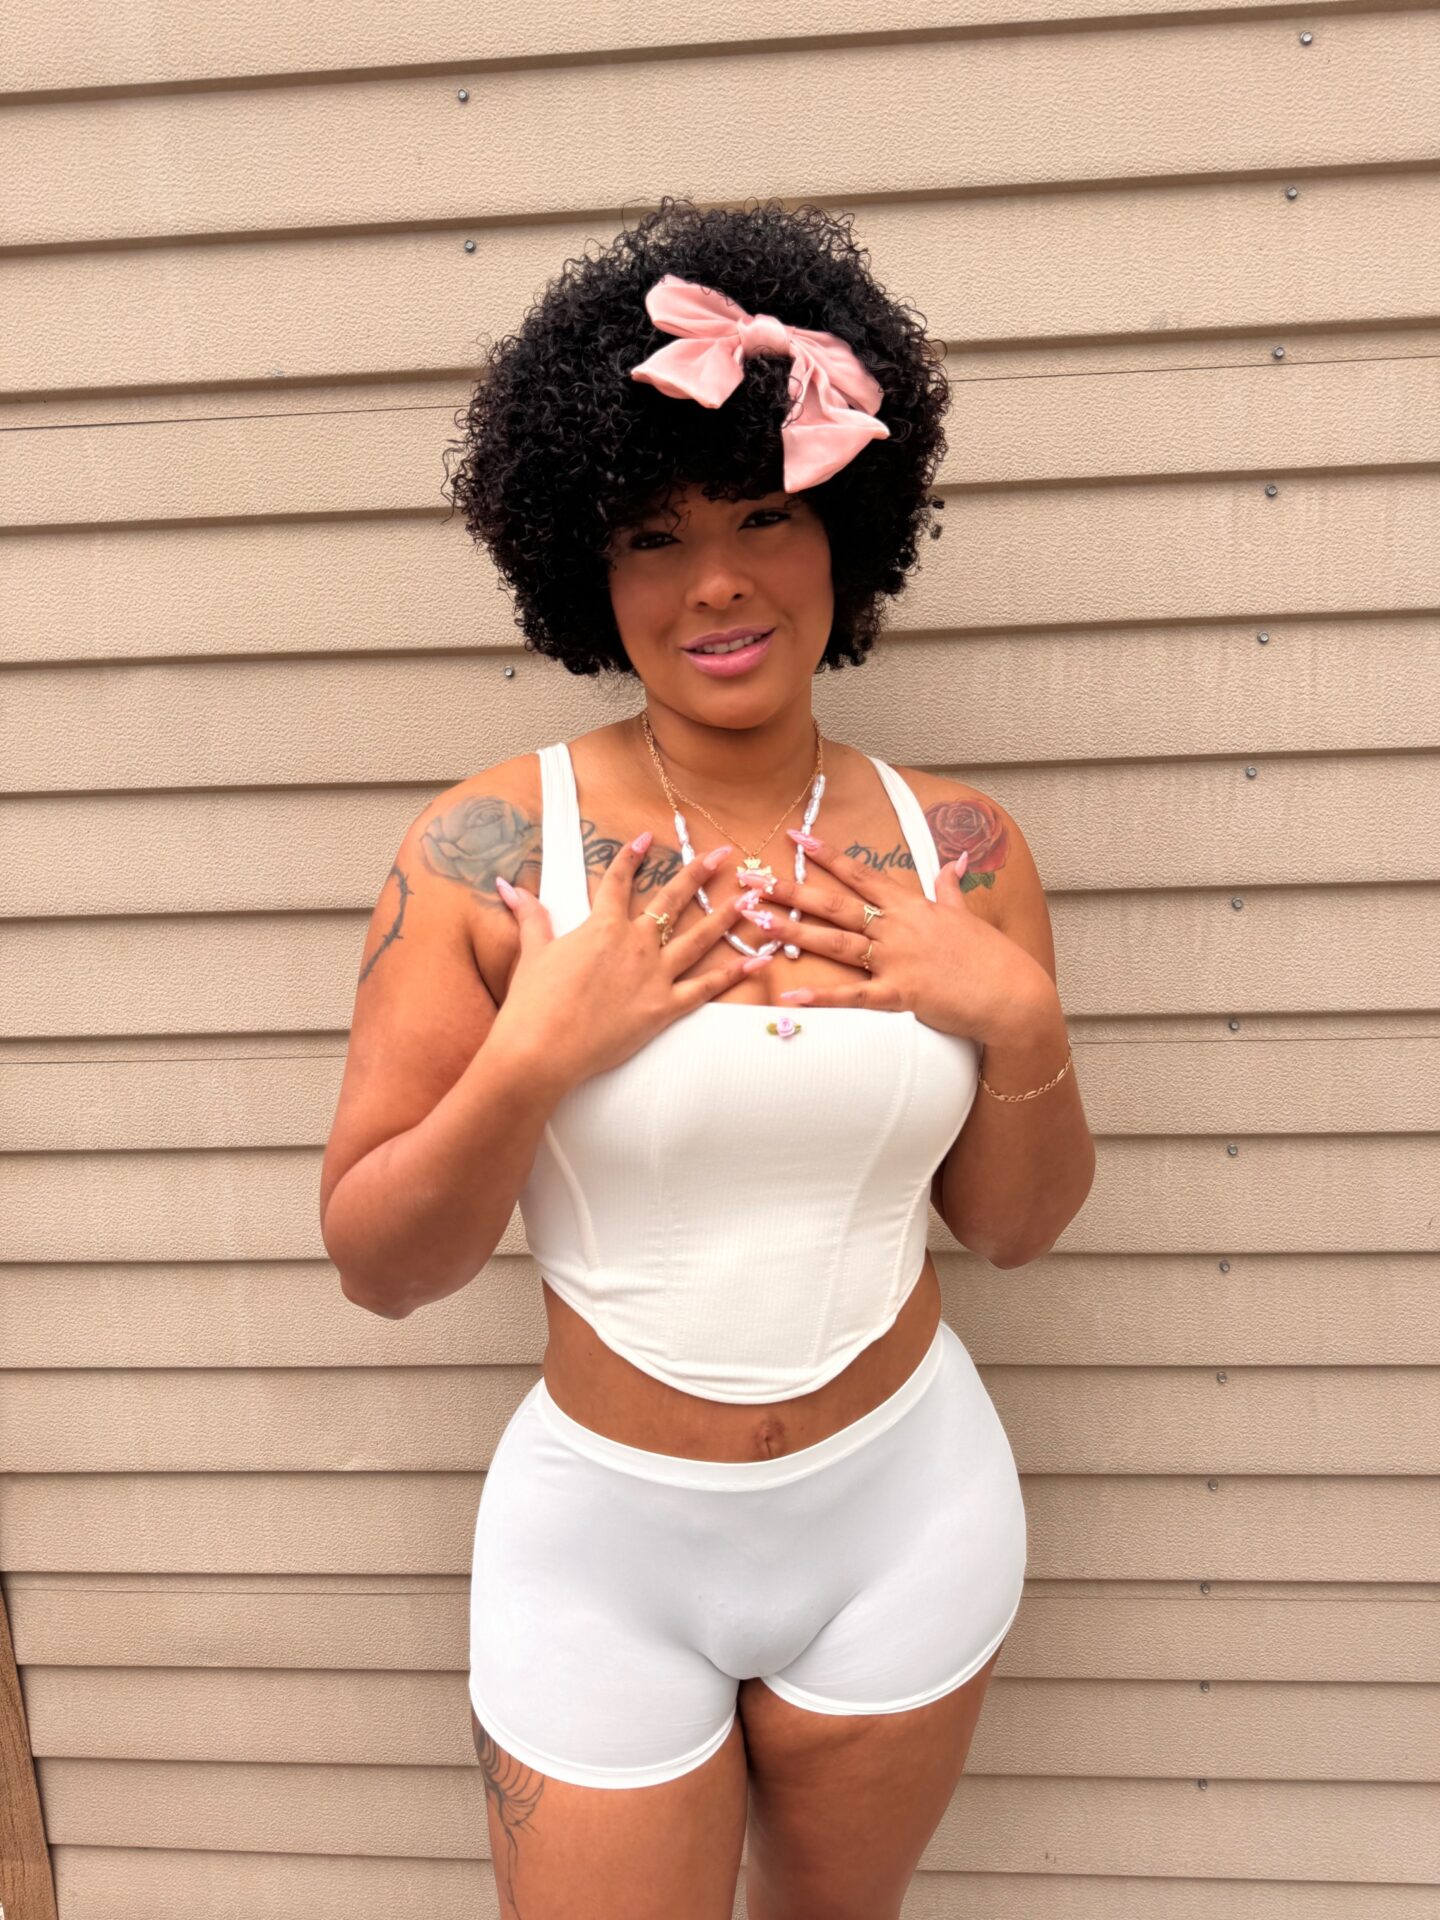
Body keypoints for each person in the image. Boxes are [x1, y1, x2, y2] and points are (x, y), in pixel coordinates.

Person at [320, 196, 1096, 1920]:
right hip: (607, 1548)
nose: (719, 582)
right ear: (584, 568)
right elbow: (379, 1264)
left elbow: (1017, 1228)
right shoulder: (486, 853)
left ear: (846, 533)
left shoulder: (962, 851)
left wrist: (1021, 1023)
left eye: (766, 515)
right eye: (654, 537)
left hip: (910, 1515)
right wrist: (533, 1056)